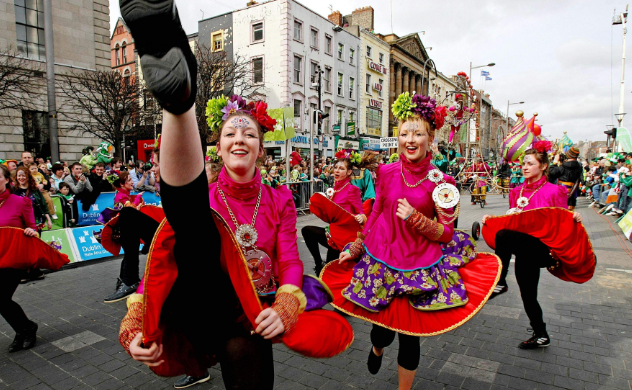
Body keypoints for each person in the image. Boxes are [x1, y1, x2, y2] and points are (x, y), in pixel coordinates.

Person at [115, 6, 351, 389]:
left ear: (260, 149)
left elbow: (290, 261)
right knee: (191, 223)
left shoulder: (280, 200)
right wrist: (136, 321)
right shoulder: (204, 195)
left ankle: (179, 97)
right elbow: (164, 258)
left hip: (248, 315)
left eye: (249, 135)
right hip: (197, 304)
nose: (239, 138)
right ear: (218, 149)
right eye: (230, 134)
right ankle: (178, 103)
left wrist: (286, 306)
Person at [322, 92, 500, 390]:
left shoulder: (443, 182)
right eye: (405, 133)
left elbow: (447, 233)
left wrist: (417, 218)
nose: (410, 139)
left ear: (430, 137)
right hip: (383, 260)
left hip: (421, 266)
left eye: (418, 133)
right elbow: (377, 213)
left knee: (410, 336)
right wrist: (355, 247)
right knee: (382, 332)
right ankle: (377, 348)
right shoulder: (387, 171)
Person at [482, 142, 587, 349]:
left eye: (530, 163)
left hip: (542, 248)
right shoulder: (516, 192)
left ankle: (500, 281)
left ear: (544, 166)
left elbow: (561, 219)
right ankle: (541, 334)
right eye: (523, 163)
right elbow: (514, 221)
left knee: (503, 236)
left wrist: (574, 216)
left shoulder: (555, 191)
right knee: (528, 294)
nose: (525, 167)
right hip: (524, 249)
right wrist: (492, 219)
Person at [302, 150, 366, 275]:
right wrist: (317, 206)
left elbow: (361, 212)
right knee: (307, 231)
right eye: (335, 167)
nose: (336, 170)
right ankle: (318, 263)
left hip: (344, 238)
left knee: (331, 272)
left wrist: (361, 217)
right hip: (333, 232)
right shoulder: (334, 190)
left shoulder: (352, 189)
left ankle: (323, 270)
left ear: (349, 172)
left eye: (341, 168)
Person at [0, 165, 40, 352]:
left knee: (1, 298)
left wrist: (32, 230)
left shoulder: (20, 201)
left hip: (14, 259)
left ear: (7, 180)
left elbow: (33, 226)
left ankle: (26, 328)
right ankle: (23, 329)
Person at [549, 147, 583, 211]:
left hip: (561, 193)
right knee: (570, 213)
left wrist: (555, 162)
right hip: (572, 194)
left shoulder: (564, 166)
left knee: (561, 213)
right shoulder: (579, 167)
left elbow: (552, 173)